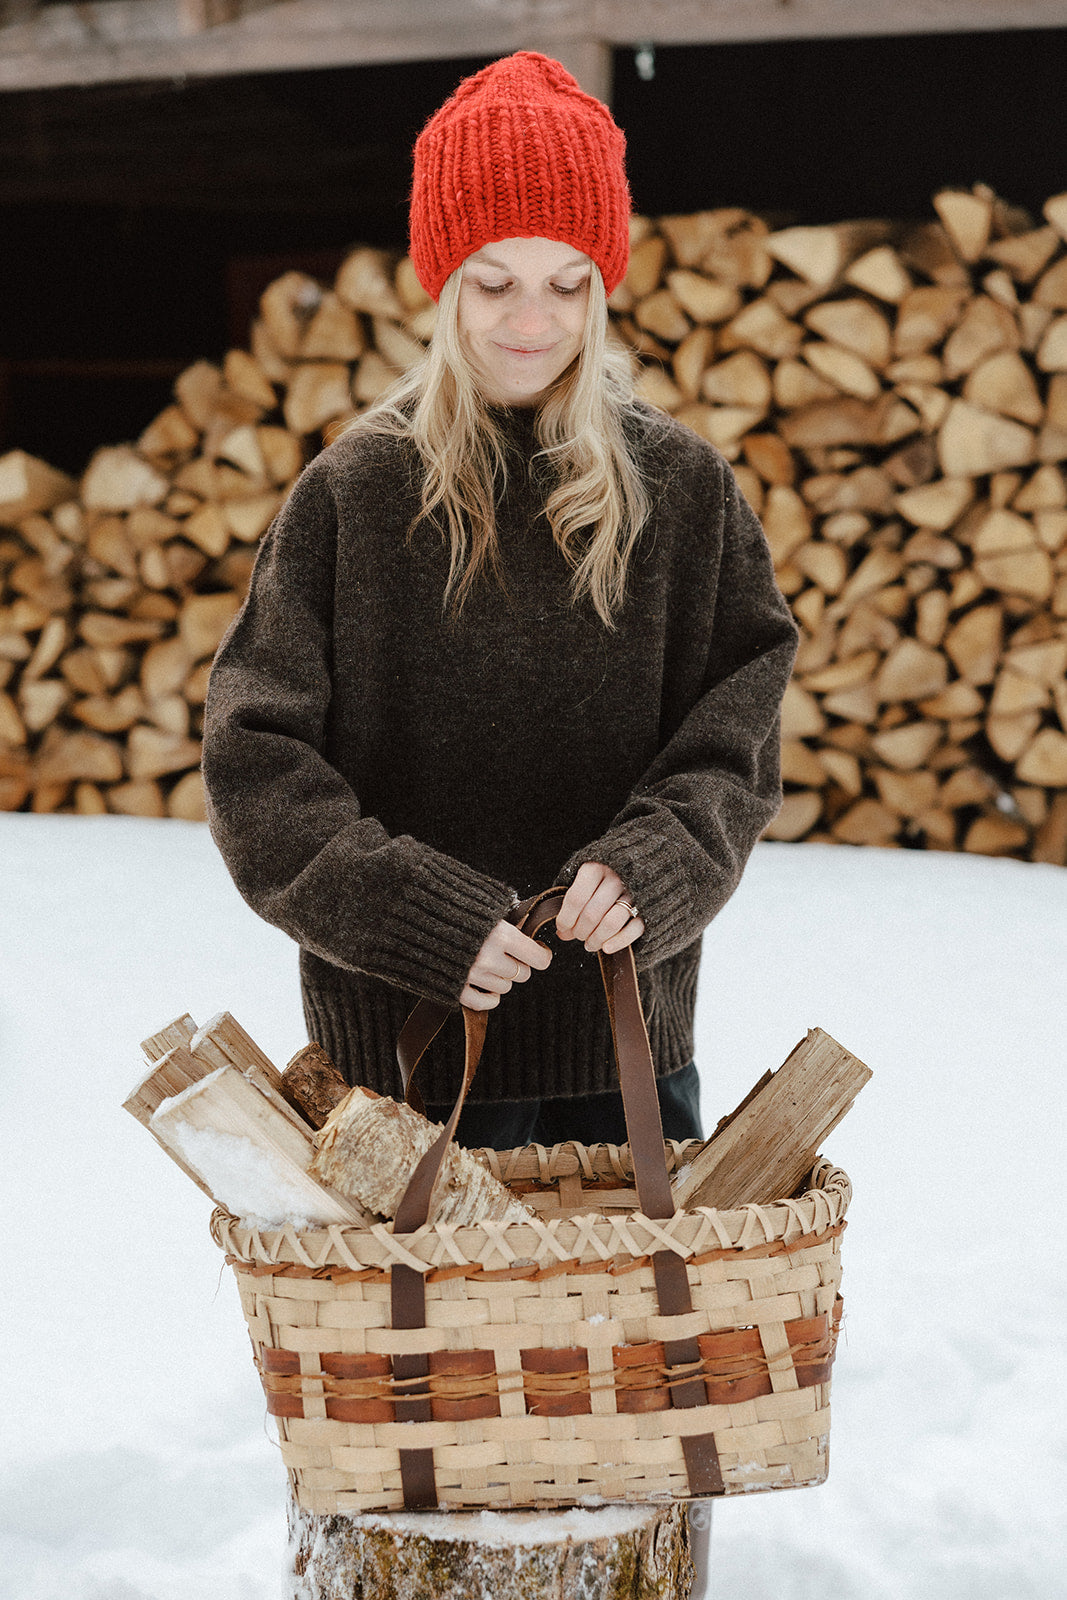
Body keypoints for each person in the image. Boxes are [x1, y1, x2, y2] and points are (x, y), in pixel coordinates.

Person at [201, 50, 799, 1150]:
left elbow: (738, 727)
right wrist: (412, 917)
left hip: (623, 1049)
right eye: (493, 281)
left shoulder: (682, 490)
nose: (532, 319)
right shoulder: (354, 491)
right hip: (404, 1059)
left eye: (567, 283)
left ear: (602, 286)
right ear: (442, 283)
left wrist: (658, 864)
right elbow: (257, 761)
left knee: (645, 1277)